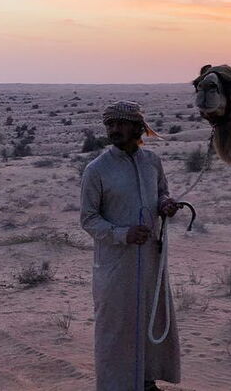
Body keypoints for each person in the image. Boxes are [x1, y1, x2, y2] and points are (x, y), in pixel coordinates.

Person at [80, 100, 180, 391]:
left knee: (150, 318)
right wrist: (123, 234)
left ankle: (146, 382)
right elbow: (88, 219)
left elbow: (161, 192)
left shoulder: (152, 162)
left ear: (137, 127)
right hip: (115, 265)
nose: (114, 129)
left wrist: (166, 204)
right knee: (116, 327)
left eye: (120, 123)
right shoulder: (96, 169)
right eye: (109, 124)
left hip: (151, 260)